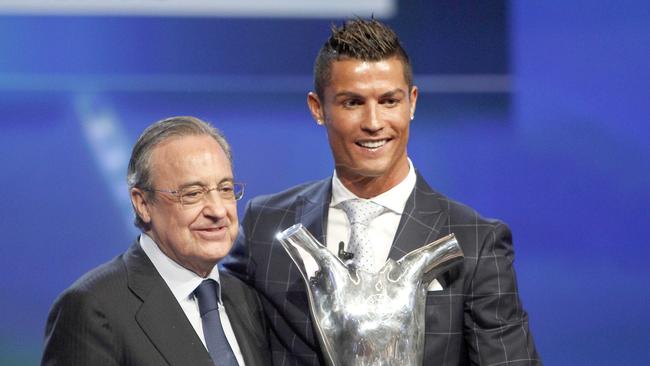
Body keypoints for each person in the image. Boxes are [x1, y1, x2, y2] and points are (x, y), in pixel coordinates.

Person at [225, 18, 540, 365]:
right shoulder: (266, 226)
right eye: (352, 103)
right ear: (318, 108)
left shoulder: (475, 241)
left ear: (412, 103)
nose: (374, 123)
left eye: (389, 101)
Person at [42, 116, 270, 366]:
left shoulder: (249, 298)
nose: (217, 210)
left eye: (225, 189)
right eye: (193, 194)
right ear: (143, 204)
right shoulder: (92, 309)